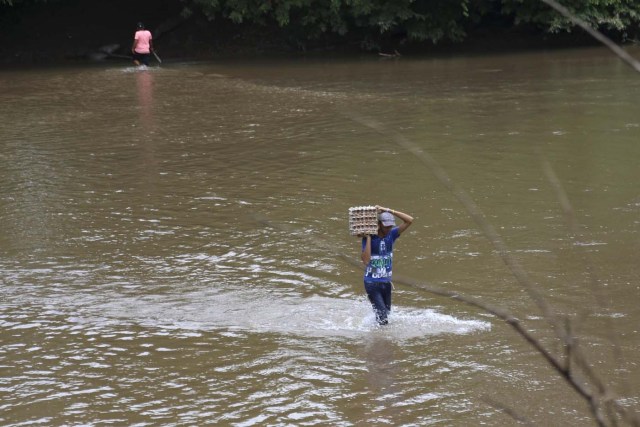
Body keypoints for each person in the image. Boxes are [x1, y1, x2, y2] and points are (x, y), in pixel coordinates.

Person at [360, 205, 414, 325]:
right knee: (383, 318)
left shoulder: (392, 234)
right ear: (379, 225)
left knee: (386, 314)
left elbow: (409, 220)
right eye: (386, 226)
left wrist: (388, 210)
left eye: (390, 225)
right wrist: (368, 237)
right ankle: (381, 342)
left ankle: (377, 337)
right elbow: (365, 260)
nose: (389, 228)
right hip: (371, 283)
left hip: (386, 282)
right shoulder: (370, 238)